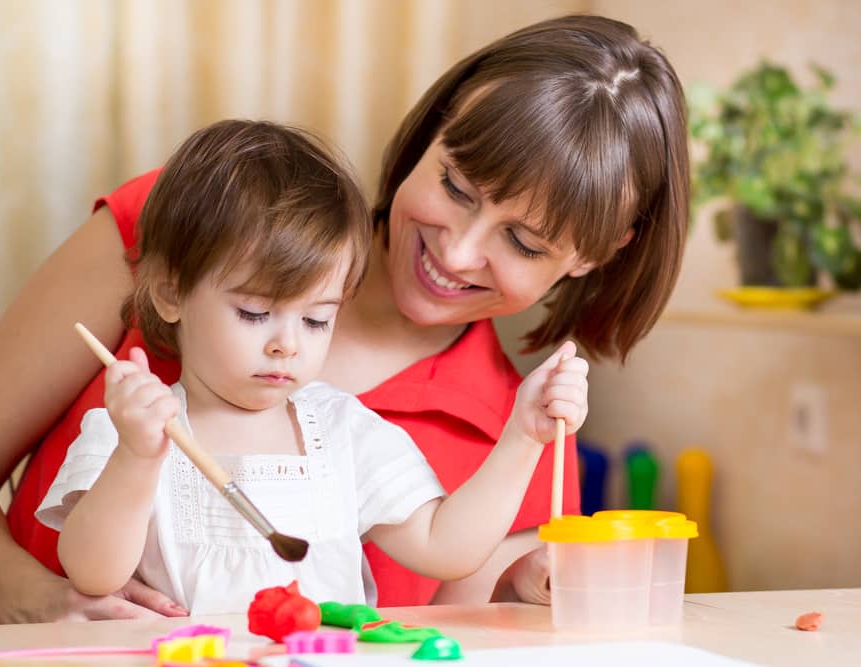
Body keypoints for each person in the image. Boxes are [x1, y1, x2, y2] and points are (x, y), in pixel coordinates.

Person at [0, 14, 689, 625]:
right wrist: (46, 607)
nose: (458, 249)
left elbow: (439, 617)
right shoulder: (192, 226)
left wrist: (520, 585)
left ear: (595, 254)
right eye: (455, 185)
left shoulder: (510, 442)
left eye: (522, 240)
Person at [37, 119, 589, 615]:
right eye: (255, 313)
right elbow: (92, 573)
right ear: (170, 292)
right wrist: (137, 458)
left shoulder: (344, 431)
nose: (287, 345)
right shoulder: (128, 429)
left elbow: (448, 547)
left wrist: (522, 435)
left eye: (317, 321)